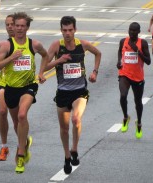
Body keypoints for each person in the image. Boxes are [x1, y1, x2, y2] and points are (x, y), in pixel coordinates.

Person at [0, 12, 49, 174]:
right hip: (11, 89)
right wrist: (11, 58)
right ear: (13, 26)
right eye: (17, 26)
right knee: (16, 122)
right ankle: (24, 143)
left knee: (22, 115)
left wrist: (42, 72)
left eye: (23, 26)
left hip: (29, 86)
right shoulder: (6, 46)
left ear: (27, 28)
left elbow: (46, 56)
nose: (19, 29)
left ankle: (21, 155)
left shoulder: (34, 44)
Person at [46, 16, 101, 174]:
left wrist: (95, 72)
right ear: (61, 31)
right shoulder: (57, 46)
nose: (67, 33)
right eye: (64, 30)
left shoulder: (82, 44)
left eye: (70, 30)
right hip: (63, 92)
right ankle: (67, 156)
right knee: (64, 129)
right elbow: (44, 67)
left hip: (79, 91)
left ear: (75, 30)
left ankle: (75, 149)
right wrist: (59, 60)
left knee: (76, 119)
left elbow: (98, 54)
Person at [117, 22, 151, 139]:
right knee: (123, 96)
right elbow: (119, 52)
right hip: (124, 74)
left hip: (138, 77)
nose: (131, 32)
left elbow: (148, 61)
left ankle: (139, 123)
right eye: (130, 30)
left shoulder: (143, 43)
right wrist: (119, 61)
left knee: (138, 102)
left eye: (134, 31)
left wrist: (138, 51)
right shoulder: (123, 41)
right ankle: (126, 117)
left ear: (138, 32)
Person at [0, 14, 15, 162]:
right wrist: (10, 58)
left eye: (12, 24)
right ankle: (4, 146)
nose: (9, 27)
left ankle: (23, 141)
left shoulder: (28, 44)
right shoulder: (3, 45)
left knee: (18, 119)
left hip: (20, 84)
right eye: (7, 24)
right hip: (4, 82)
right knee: (2, 111)